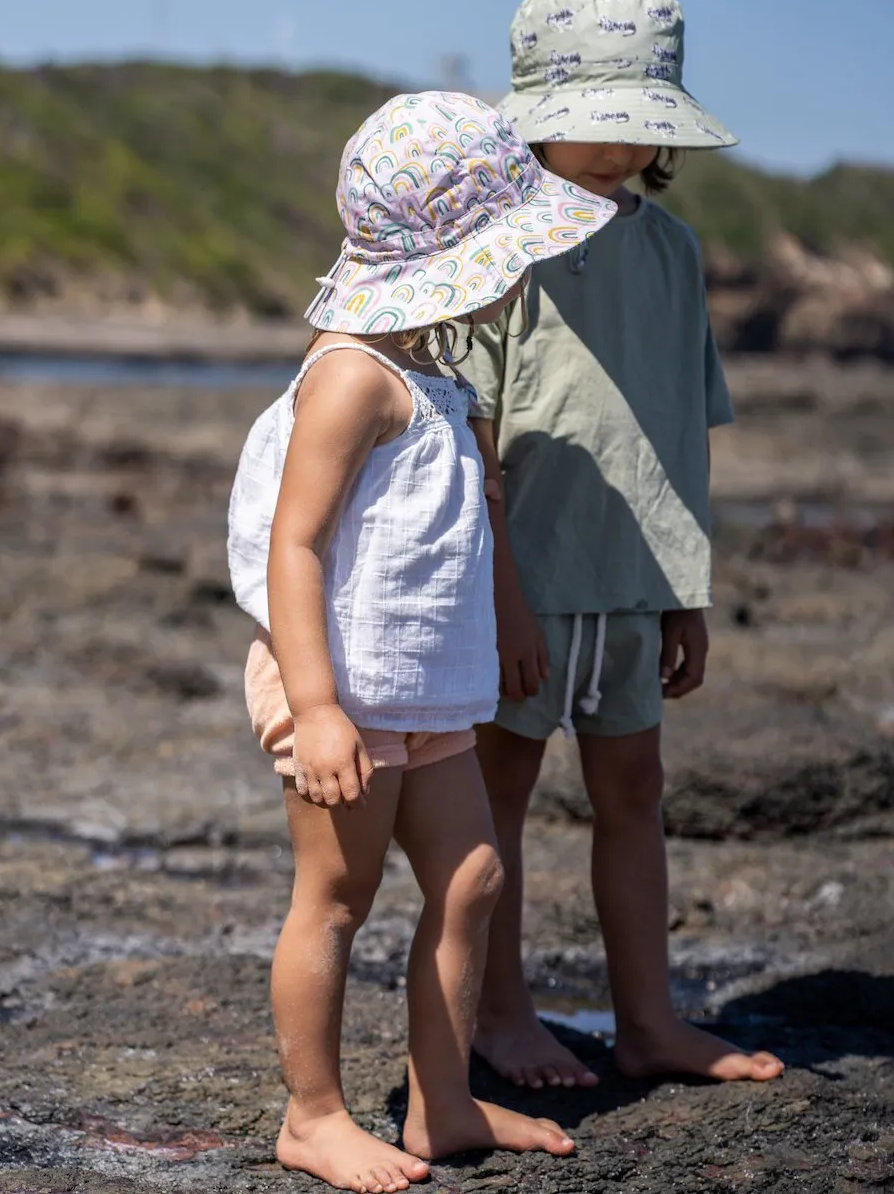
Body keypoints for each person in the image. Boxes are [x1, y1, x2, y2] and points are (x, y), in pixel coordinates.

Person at [227, 90, 617, 1194]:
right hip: (342, 690)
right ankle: (312, 1116)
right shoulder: (353, 374)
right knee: (335, 901)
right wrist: (313, 707)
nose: (516, 276)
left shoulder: (438, 372)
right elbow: (291, 548)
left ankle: (441, 1102)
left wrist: (503, 614)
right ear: (455, 254)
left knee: (473, 873)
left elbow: (455, 521)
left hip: (426, 692)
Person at [461, 0, 785, 1092]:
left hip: (637, 584)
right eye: (586, 126)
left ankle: (647, 1022)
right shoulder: (498, 248)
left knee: (633, 795)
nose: (610, 151)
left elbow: (679, 438)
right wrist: (498, 593)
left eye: (630, 129)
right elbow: (475, 439)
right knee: (493, 798)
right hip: (522, 585)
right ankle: (499, 1019)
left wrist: (687, 590)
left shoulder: (675, 254)